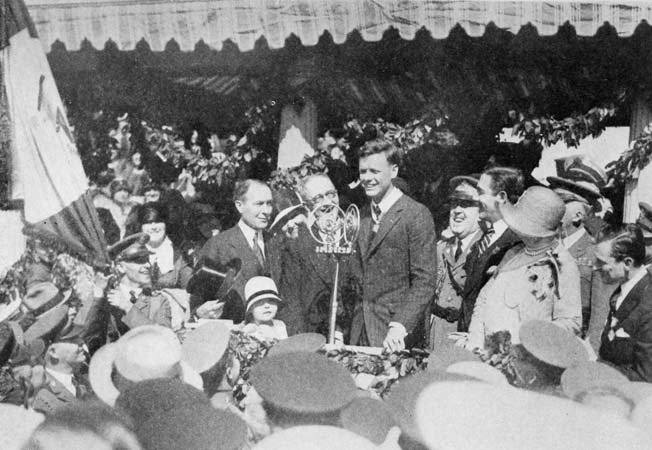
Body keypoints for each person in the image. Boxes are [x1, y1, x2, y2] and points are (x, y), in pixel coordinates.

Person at [464, 186, 582, 350]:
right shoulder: (513, 253)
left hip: (526, 363)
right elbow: (484, 299)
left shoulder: (562, 265)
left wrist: (526, 342)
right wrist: (475, 342)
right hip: (487, 354)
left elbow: (571, 322)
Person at [350, 139, 437, 350]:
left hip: (395, 335)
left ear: (394, 170)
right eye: (363, 172)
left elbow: (424, 281)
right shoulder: (359, 216)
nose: (367, 178)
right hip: (358, 330)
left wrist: (400, 325)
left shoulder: (416, 215)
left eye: (375, 171)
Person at [274, 174, 360, 339]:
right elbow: (291, 300)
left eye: (331, 194)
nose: (328, 202)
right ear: (306, 206)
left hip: (352, 336)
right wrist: (302, 342)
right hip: (311, 336)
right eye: (318, 198)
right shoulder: (297, 241)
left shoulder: (356, 235)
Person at [195, 179, 275, 324]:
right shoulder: (218, 245)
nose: (266, 211)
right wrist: (200, 311)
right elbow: (198, 302)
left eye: (269, 203)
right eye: (259, 204)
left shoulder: (277, 243)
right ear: (240, 206)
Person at [548, 175, 614, 345]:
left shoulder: (595, 253)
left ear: (577, 215)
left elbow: (601, 313)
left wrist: (591, 352)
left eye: (559, 203)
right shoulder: (544, 246)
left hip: (572, 344)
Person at [458, 166, 524, 332]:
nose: (476, 198)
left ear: (501, 197)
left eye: (480, 192)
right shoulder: (484, 238)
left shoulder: (517, 243)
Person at [428, 175, 482, 350]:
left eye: (466, 204)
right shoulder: (441, 248)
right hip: (435, 335)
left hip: (464, 338)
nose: (457, 211)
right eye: (454, 203)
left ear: (481, 211)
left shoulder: (486, 252)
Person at [595, 224, 652, 382]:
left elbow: (645, 376)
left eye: (601, 262)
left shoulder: (648, 305)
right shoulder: (623, 290)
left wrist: (596, 367)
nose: (595, 267)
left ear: (627, 263)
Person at [104, 233, 172, 330]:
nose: (148, 265)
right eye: (140, 261)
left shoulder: (158, 301)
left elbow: (163, 337)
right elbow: (81, 333)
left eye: (147, 260)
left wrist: (128, 307)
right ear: (121, 267)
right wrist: (97, 296)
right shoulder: (105, 296)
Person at [135, 202, 192, 290]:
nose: (153, 227)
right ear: (141, 227)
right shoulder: (133, 253)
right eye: (148, 223)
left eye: (158, 221)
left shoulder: (179, 253)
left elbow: (189, 288)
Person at [31, 339, 88, 415]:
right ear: (53, 352)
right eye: (74, 340)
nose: (83, 346)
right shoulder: (41, 395)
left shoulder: (83, 383)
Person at [240, 276, 287, 342]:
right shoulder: (247, 330)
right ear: (250, 309)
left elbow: (286, 349)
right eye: (260, 302)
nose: (267, 306)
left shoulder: (279, 325)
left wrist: (273, 337)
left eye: (271, 300)